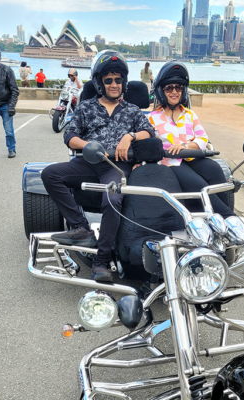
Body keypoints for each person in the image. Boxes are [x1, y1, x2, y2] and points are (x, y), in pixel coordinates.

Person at [41, 50, 154, 282]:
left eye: (118, 80)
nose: (114, 84)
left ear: (124, 82)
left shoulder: (132, 110)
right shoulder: (86, 107)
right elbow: (69, 135)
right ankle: (80, 227)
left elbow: (150, 134)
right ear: (100, 82)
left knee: (112, 199)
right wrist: (88, 145)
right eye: (109, 80)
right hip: (88, 161)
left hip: (115, 165)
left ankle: (101, 261)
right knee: (50, 174)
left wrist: (130, 136)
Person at [148, 61, 235, 219]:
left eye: (178, 87)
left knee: (215, 169)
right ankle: (231, 219)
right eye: (169, 88)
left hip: (191, 156)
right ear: (161, 90)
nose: (174, 91)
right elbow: (148, 144)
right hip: (171, 161)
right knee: (198, 184)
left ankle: (224, 220)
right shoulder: (153, 118)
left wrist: (185, 146)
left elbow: (203, 138)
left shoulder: (189, 114)